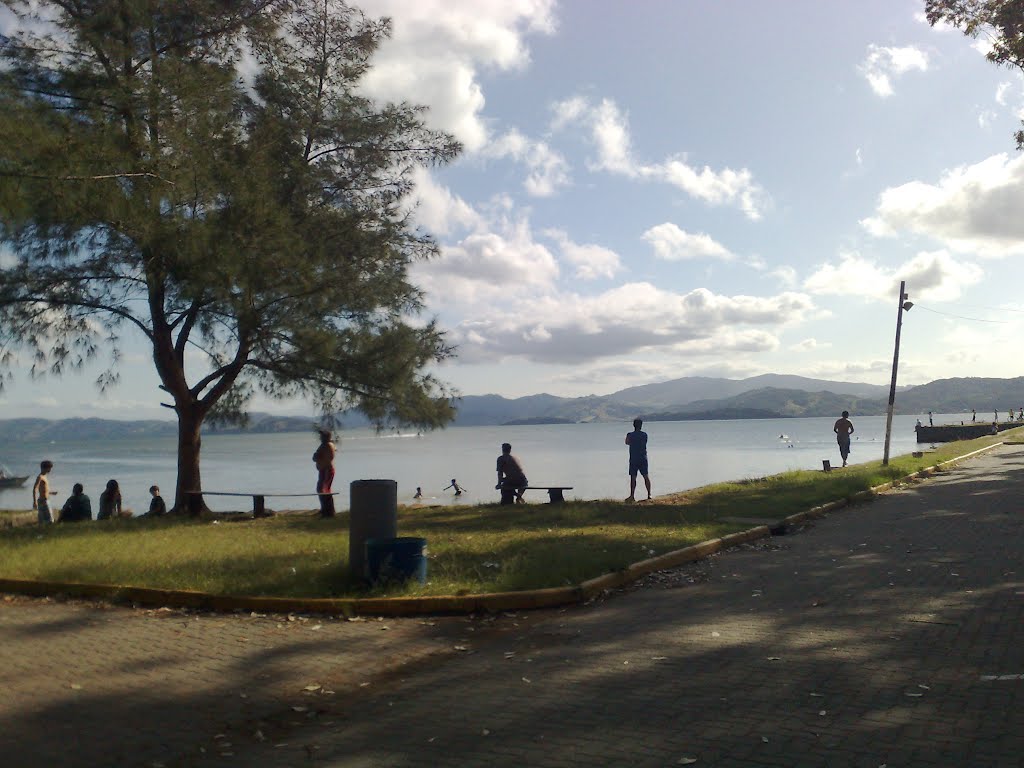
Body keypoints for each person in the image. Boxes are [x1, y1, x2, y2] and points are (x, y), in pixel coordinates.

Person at [625, 418, 652, 502]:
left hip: (634, 458)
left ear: (633, 425)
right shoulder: (645, 435)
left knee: (633, 477)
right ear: (641, 425)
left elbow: (627, 442)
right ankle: (649, 495)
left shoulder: (630, 435)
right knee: (646, 476)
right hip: (643, 457)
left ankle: (632, 496)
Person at [312, 429, 336, 517]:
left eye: (321, 436)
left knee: (323, 489)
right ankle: (326, 509)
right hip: (325, 470)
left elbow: (316, 457)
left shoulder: (326, 445)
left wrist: (316, 456)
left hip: (326, 470)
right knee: (324, 489)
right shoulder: (329, 445)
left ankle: (327, 511)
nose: (320, 438)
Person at [31, 460, 57, 524]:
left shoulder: (45, 476)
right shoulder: (40, 477)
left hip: (46, 500)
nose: (50, 470)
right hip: (43, 501)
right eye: (49, 468)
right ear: (45, 468)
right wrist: (34, 502)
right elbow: (35, 489)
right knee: (50, 520)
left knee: (43, 520)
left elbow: (44, 490)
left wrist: (51, 493)